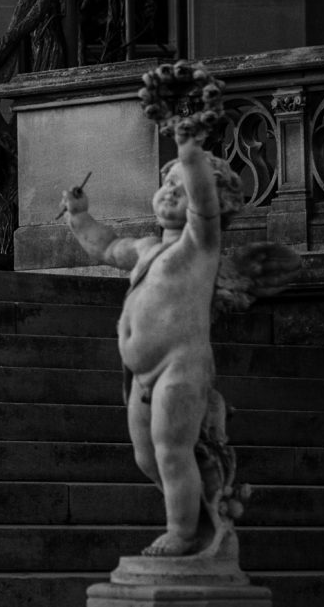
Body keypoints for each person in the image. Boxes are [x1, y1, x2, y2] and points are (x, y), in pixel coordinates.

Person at [60, 121, 245, 558]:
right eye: (166, 184)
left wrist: (189, 152)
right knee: (148, 458)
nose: (168, 192)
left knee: (172, 452)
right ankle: (202, 515)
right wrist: (80, 215)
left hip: (181, 368)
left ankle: (182, 532)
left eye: (181, 188)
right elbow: (105, 246)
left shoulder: (199, 249)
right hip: (139, 375)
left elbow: (202, 207)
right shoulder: (146, 248)